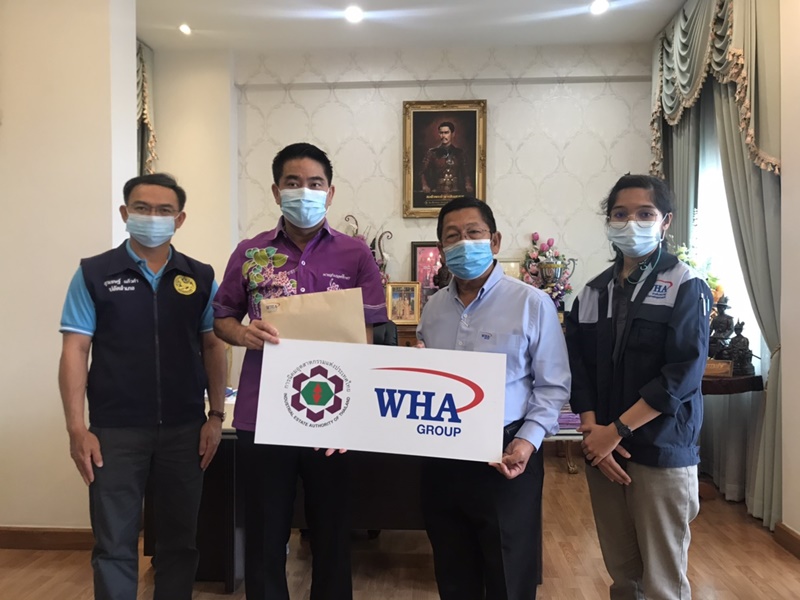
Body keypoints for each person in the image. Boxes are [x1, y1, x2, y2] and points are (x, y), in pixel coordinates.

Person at [212, 142, 387, 600]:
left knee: (332, 531)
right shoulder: (250, 252)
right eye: (293, 183)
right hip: (263, 415)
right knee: (265, 533)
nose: (304, 192)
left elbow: (368, 336)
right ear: (276, 191)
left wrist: (354, 415)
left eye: (314, 183)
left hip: (333, 416)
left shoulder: (355, 255)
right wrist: (242, 333)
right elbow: (222, 318)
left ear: (330, 193)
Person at [58, 173, 228, 600]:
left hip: (185, 429)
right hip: (114, 431)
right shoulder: (94, 274)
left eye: (164, 210)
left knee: (179, 542)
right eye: (142, 208)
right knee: (114, 542)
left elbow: (214, 346)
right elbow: (75, 349)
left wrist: (215, 416)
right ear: (125, 213)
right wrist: (76, 428)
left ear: (180, 219)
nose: (153, 217)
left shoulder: (200, 277)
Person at [416, 197, 571, 600]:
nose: (463, 243)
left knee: (509, 573)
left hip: (506, 455)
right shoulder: (432, 309)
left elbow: (553, 384)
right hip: (442, 455)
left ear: (495, 240)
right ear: (442, 249)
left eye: (474, 233)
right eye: (453, 236)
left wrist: (527, 441)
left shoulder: (531, 303)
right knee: (453, 571)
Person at [565, 174, 710, 600]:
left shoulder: (685, 284)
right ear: (608, 222)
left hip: (660, 450)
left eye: (645, 214)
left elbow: (682, 373)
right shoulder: (592, 293)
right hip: (603, 452)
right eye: (620, 214)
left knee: (663, 582)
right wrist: (595, 435)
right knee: (623, 576)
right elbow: (578, 368)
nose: (631, 223)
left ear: (665, 221)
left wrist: (617, 431)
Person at [420, 121, 474, 195]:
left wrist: (468, 184)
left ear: (453, 134)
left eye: (446, 133)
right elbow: (422, 172)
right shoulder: (432, 153)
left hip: (456, 192)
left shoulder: (460, 153)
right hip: (437, 192)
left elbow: (466, 173)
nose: (443, 136)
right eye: (441, 133)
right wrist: (424, 185)